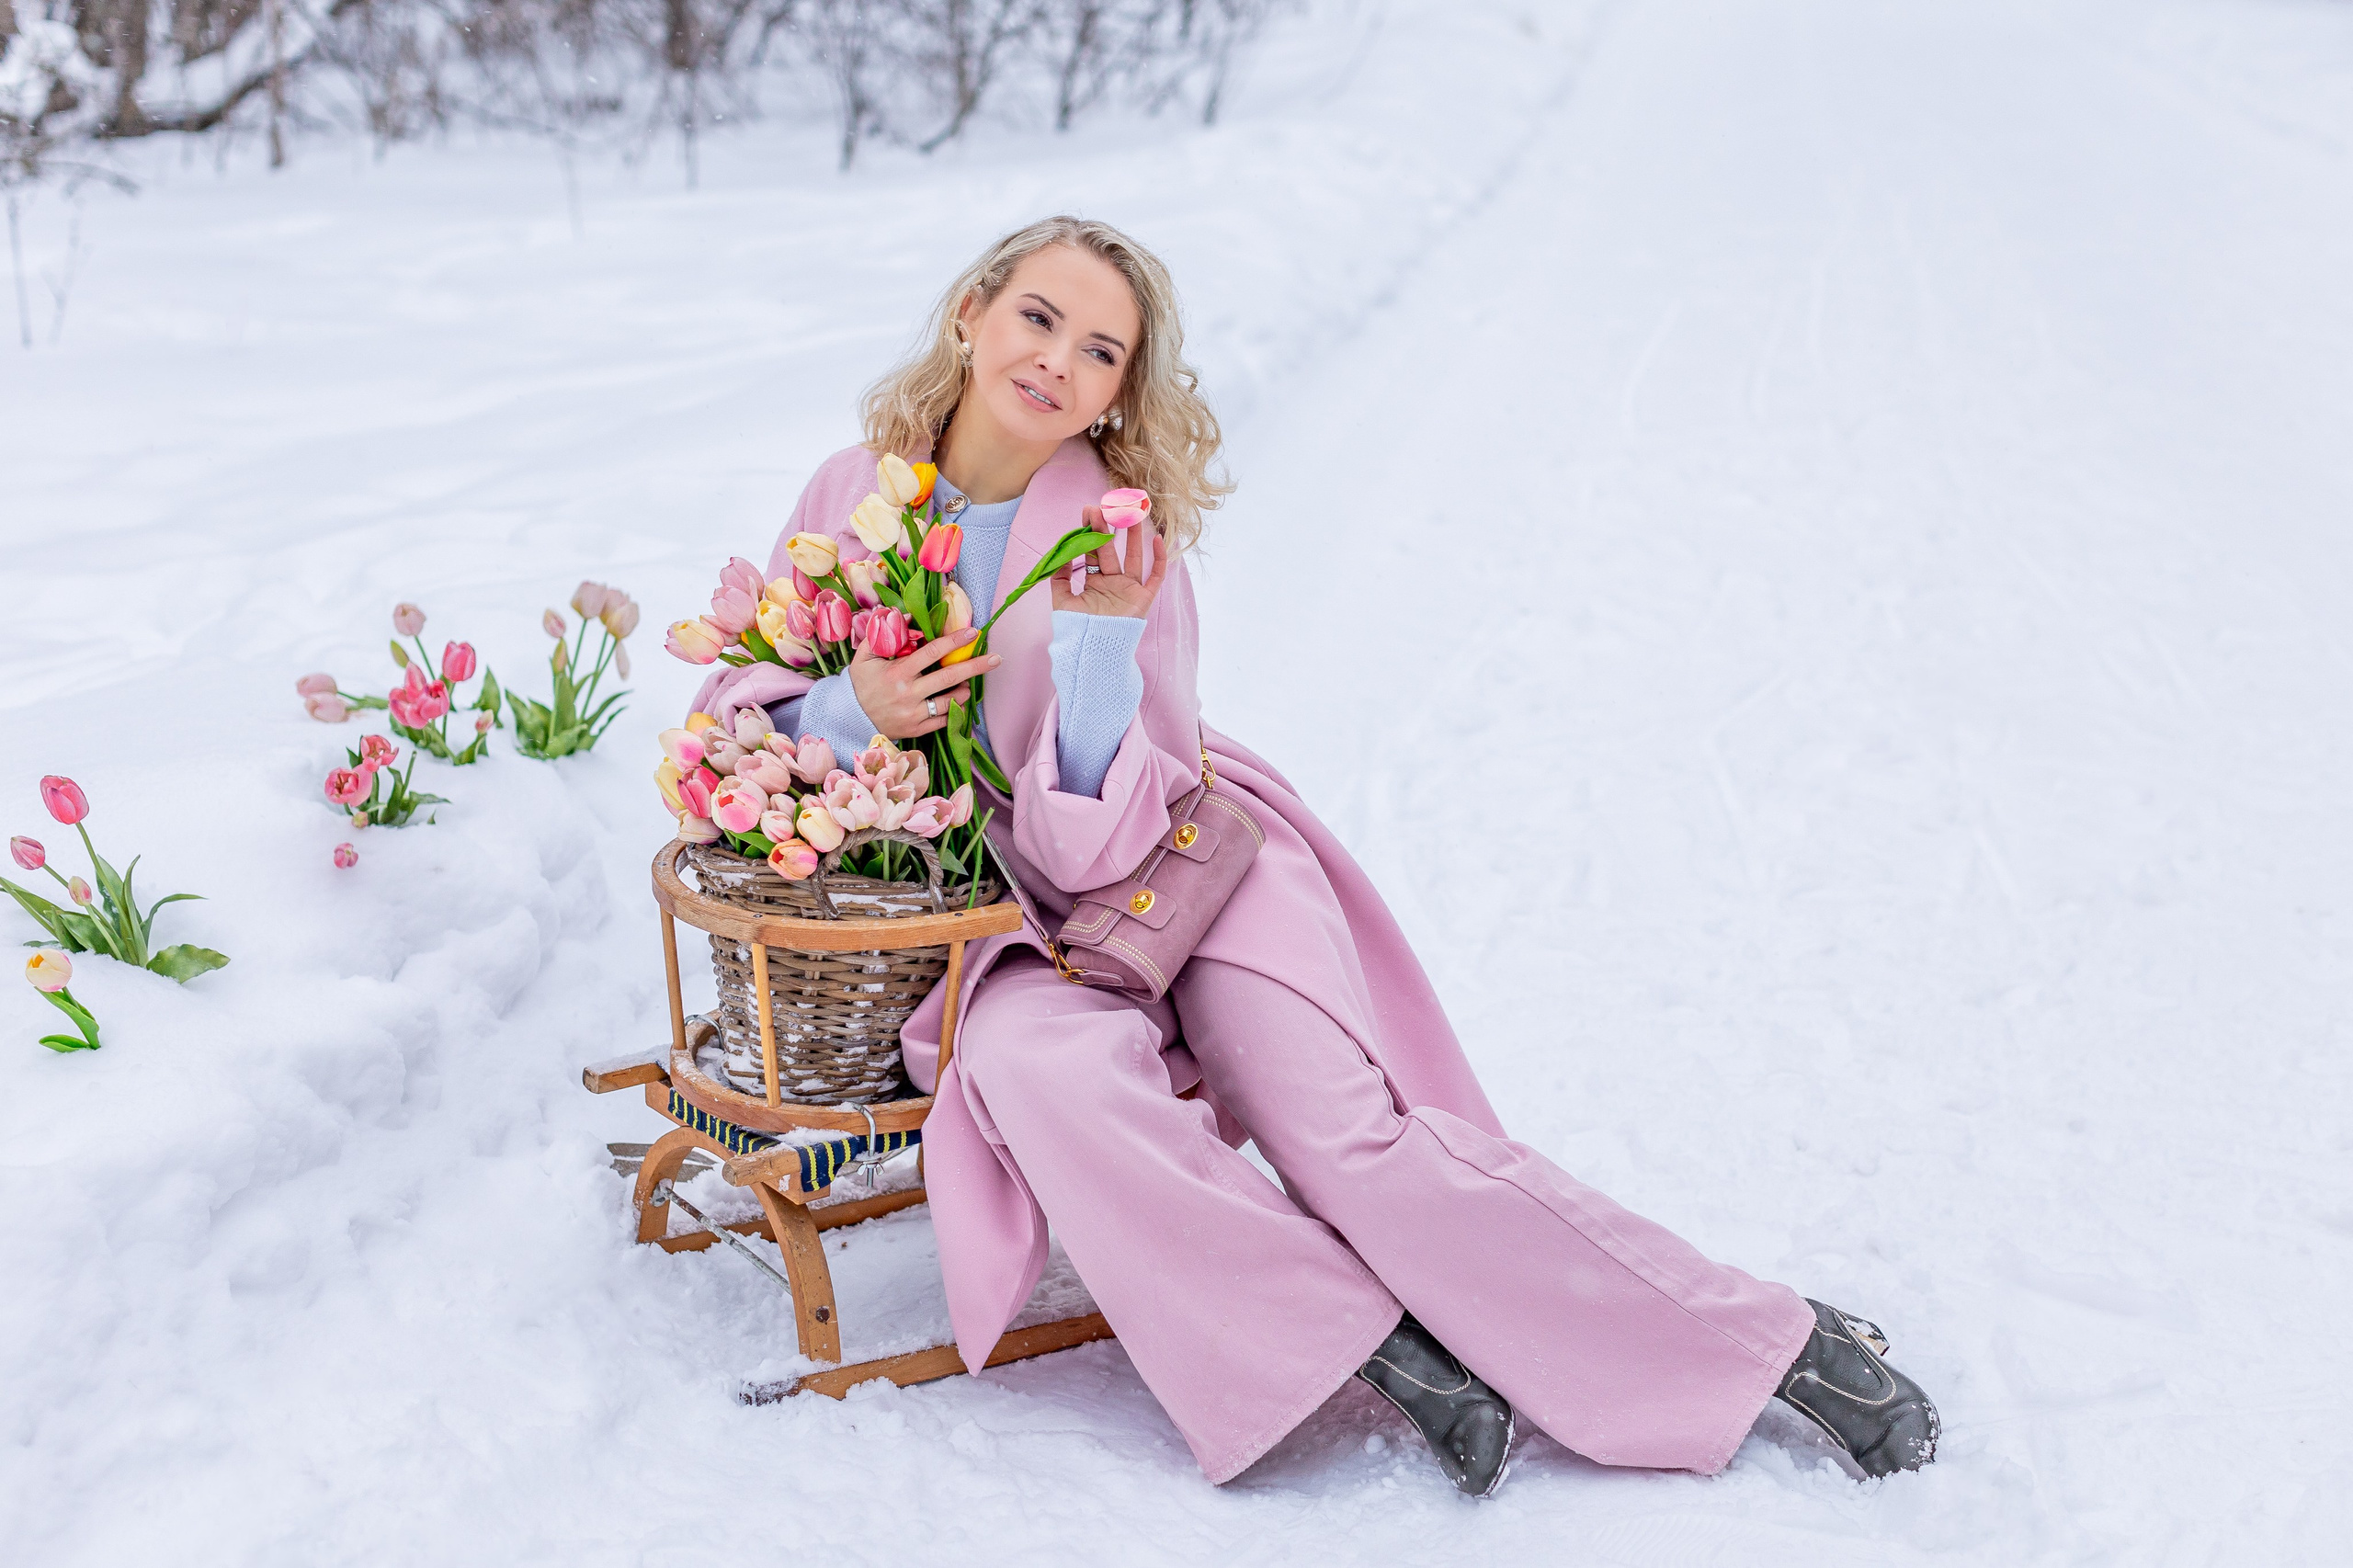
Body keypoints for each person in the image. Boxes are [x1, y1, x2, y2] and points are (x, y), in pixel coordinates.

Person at [686, 215, 1939, 1496]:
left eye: (1102, 350)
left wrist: (1100, 654)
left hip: (1181, 867)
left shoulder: (1118, 542)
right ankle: (1373, 1341)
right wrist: (855, 712)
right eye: (1040, 319)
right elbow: (737, 707)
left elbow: (1113, 829)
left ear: (1121, 391)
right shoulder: (851, 491)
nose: (1059, 360)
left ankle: (1772, 1346)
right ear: (973, 315)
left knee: (1352, 1137)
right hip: (997, 925)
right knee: (1028, 1063)